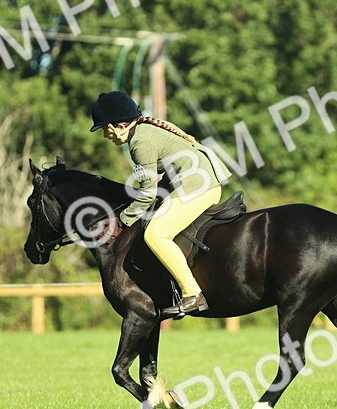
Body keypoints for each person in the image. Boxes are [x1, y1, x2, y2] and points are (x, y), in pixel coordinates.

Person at [90, 91, 232, 317]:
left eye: (105, 129)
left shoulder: (140, 142)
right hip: (203, 183)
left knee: (155, 234)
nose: (107, 136)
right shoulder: (146, 130)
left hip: (198, 187)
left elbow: (147, 194)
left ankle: (192, 294)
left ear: (118, 125)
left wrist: (122, 220)